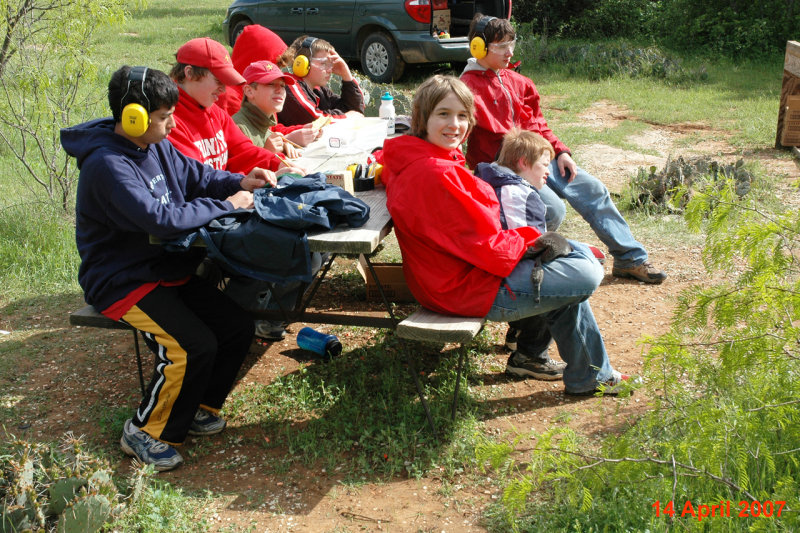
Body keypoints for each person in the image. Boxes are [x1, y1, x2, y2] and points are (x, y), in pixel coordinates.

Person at [60, 65, 266, 471]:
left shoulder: (155, 145)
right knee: (189, 346)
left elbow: (198, 176)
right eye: (163, 118)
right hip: (122, 281)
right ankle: (144, 431)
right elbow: (160, 219)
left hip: (162, 269)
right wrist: (226, 206)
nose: (171, 126)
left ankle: (193, 408)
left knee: (236, 326)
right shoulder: (106, 165)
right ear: (132, 116)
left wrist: (240, 182)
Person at [382, 74, 636, 395]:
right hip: (463, 287)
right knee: (585, 272)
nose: (455, 124)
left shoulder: (427, 157)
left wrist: (537, 243)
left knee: (571, 267)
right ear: (423, 118)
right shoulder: (435, 173)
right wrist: (532, 241)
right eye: (443, 114)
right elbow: (488, 250)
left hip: (452, 276)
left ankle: (589, 374)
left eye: (462, 115)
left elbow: (475, 238)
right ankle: (585, 374)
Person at [460, 14, 666, 284]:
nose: (510, 52)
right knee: (553, 209)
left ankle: (629, 259)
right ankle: (529, 265)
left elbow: (537, 123)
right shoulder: (466, 88)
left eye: (512, 43)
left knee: (591, 188)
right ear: (479, 47)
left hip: (539, 157)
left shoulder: (518, 82)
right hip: (508, 170)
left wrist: (560, 152)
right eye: (501, 46)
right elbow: (456, 137)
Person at [167, 37, 303, 177]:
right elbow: (196, 178)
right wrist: (239, 184)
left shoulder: (215, 113)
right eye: (219, 81)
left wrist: (278, 163)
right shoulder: (169, 120)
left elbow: (243, 150)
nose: (223, 90)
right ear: (189, 73)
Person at [218, 24, 321, 148]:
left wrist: (302, 130)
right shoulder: (230, 97)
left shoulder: (257, 93)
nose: (277, 72)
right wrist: (285, 141)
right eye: (274, 64)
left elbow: (269, 129)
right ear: (257, 61)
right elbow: (244, 150)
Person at [278, 35, 365, 127]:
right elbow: (314, 120)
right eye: (323, 63)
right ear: (302, 63)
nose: (329, 69)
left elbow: (355, 109)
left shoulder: (319, 90)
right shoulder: (291, 85)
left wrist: (346, 75)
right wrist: (346, 117)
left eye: (331, 64)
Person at [233, 60, 302, 159]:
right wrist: (266, 152)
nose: (280, 90)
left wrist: (282, 148)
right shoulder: (238, 128)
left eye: (283, 85)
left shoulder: (265, 126)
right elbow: (236, 171)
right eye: (270, 84)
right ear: (249, 91)